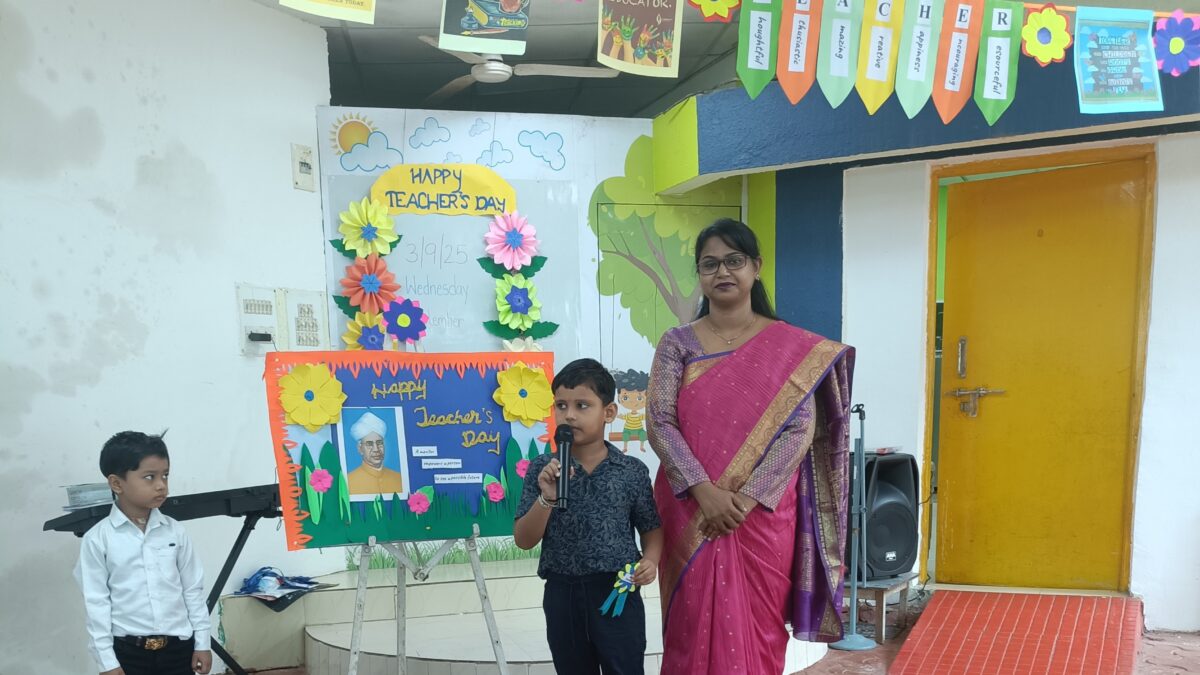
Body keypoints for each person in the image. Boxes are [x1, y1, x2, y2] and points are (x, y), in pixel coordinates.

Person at [647, 219, 855, 675]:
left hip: (760, 514)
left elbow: (799, 428)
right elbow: (659, 421)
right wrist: (704, 491)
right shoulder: (677, 344)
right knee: (689, 625)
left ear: (756, 267)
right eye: (710, 264)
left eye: (734, 260)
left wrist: (745, 499)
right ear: (700, 274)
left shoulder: (791, 347)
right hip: (690, 507)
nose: (722, 271)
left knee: (758, 628)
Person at [513, 358, 664, 675]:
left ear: (608, 412)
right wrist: (546, 498)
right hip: (562, 593)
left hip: (617, 591)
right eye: (561, 405)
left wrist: (650, 560)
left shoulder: (630, 471)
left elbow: (651, 528)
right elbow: (524, 540)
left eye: (582, 405)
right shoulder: (543, 469)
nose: (569, 415)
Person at [75, 431, 213, 675]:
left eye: (165, 475)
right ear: (117, 484)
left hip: (178, 651)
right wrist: (107, 662)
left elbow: (192, 589)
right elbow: (96, 604)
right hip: (128, 653)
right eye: (149, 477)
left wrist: (202, 642)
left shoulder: (175, 532)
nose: (161, 485)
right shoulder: (98, 539)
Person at [345, 410, 404, 495]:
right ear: (360, 449)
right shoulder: (349, 481)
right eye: (369, 444)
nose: (376, 449)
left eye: (379, 443)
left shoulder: (399, 479)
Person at [612, 369, 650, 453]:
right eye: (625, 398)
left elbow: (645, 417)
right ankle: (625, 447)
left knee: (643, 434)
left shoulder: (640, 415)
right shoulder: (628, 415)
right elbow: (624, 417)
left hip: (639, 429)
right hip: (628, 429)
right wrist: (618, 416)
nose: (633, 402)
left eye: (639, 398)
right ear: (619, 397)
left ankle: (641, 447)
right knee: (625, 435)